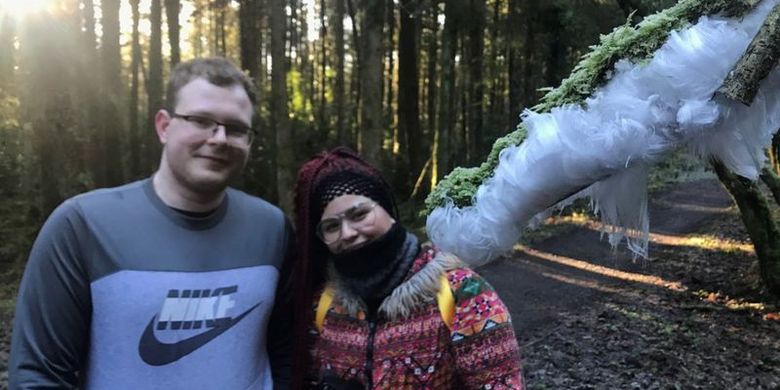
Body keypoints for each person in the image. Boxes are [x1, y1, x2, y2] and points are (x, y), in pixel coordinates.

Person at [9, 57, 292, 389]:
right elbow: (38, 375)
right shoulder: (83, 225)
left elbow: (289, 354)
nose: (219, 138)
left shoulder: (272, 228)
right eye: (201, 120)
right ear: (164, 126)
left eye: (236, 128)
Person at [289, 146, 524, 389]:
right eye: (331, 226)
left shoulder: (463, 293)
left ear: (387, 211)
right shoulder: (325, 305)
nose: (347, 233)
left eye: (359, 215)